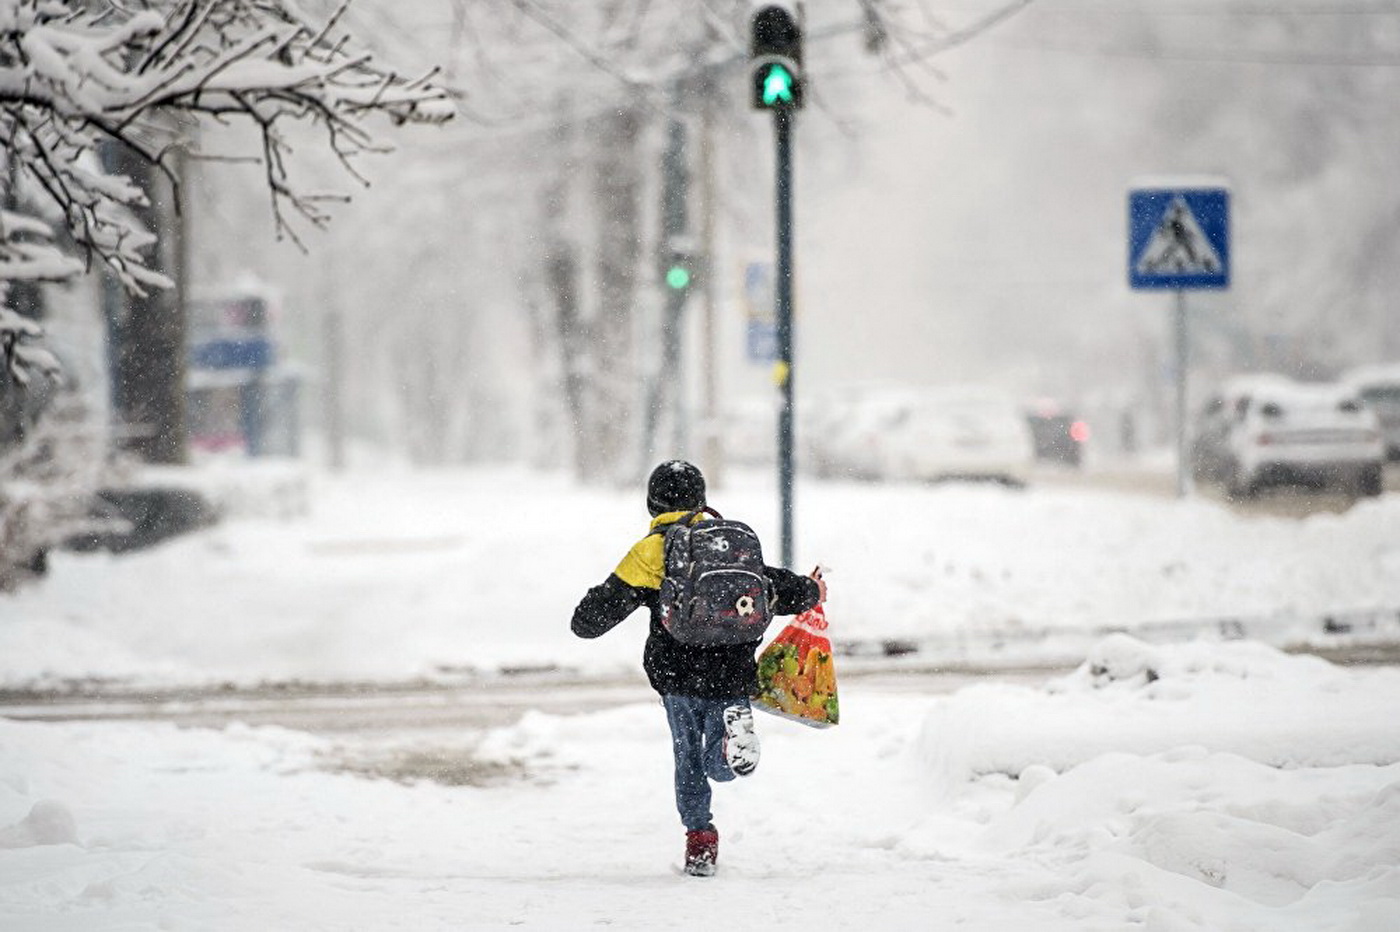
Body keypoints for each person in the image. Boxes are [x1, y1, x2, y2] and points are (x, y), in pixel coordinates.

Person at [571, 460, 825, 877]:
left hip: (679, 674)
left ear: (652, 503)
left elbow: (590, 622)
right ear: (703, 499)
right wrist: (813, 589)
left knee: (687, 758)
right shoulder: (732, 543)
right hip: (733, 668)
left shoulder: (652, 551)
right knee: (717, 762)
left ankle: (700, 840)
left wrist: (592, 605)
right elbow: (776, 586)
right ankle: (729, 744)